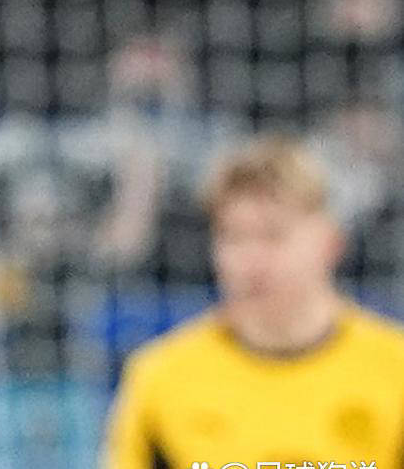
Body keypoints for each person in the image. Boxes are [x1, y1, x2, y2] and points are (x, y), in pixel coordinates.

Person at [102, 135, 404, 469]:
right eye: (233, 237)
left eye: (273, 235)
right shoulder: (161, 377)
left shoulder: (394, 368)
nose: (251, 260)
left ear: (330, 243)